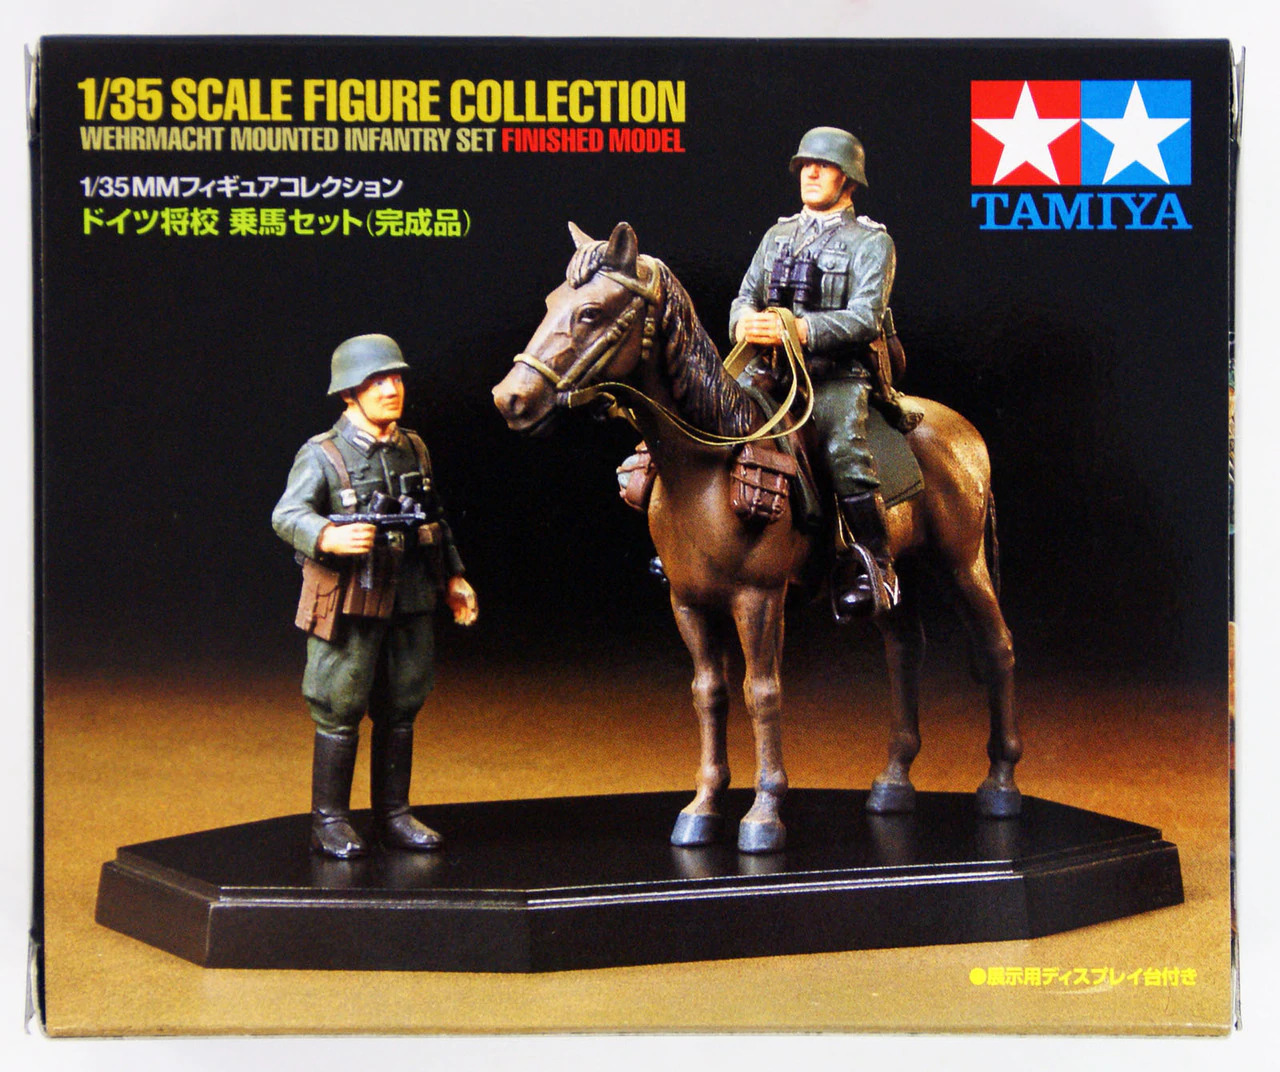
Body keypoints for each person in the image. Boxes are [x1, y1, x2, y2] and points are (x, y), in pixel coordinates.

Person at [273, 333, 478, 858]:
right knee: (338, 705)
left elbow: (434, 518)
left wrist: (453, 577)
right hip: (350, 601)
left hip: (410, 595)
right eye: (377, 381)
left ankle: (394, 814)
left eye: (396, 378)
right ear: (349, 393)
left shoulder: (414, 448)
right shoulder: (322, 454)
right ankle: (329, 820)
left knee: (403, 702)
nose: (392, 389)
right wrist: (327, 535)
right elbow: (287, 514)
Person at [729, 125, 901, 616]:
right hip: (771, 372)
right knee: (714, 414)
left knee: (845, 449)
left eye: (823, 166)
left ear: (848, 178)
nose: (810, 173)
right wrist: (745, 321)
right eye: (805, 165)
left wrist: (801, 330)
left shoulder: (871, 242)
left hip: (835, 375)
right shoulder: (777, 235)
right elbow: (745, 296)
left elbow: (866, 318)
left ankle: (877, 566)